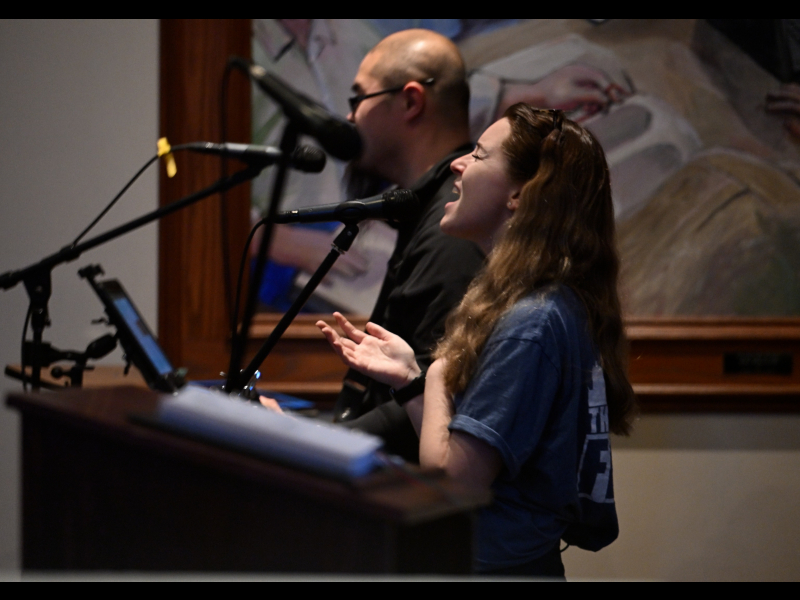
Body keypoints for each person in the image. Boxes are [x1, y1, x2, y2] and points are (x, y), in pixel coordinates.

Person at [316, 104, 637, 577]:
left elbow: (455, 483)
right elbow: (470, 453)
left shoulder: (532, 321)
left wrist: (437, 375)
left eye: (480, 155)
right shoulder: (544, 305)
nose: (457, 164)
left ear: (520, 194)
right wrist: (409, 380)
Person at [332, 29, 486, 461]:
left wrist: (306, 440)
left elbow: (432, 401)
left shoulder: (452, 227)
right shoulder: (432, 210)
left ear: (410, 102)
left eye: (358, 98)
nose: (350, 116)